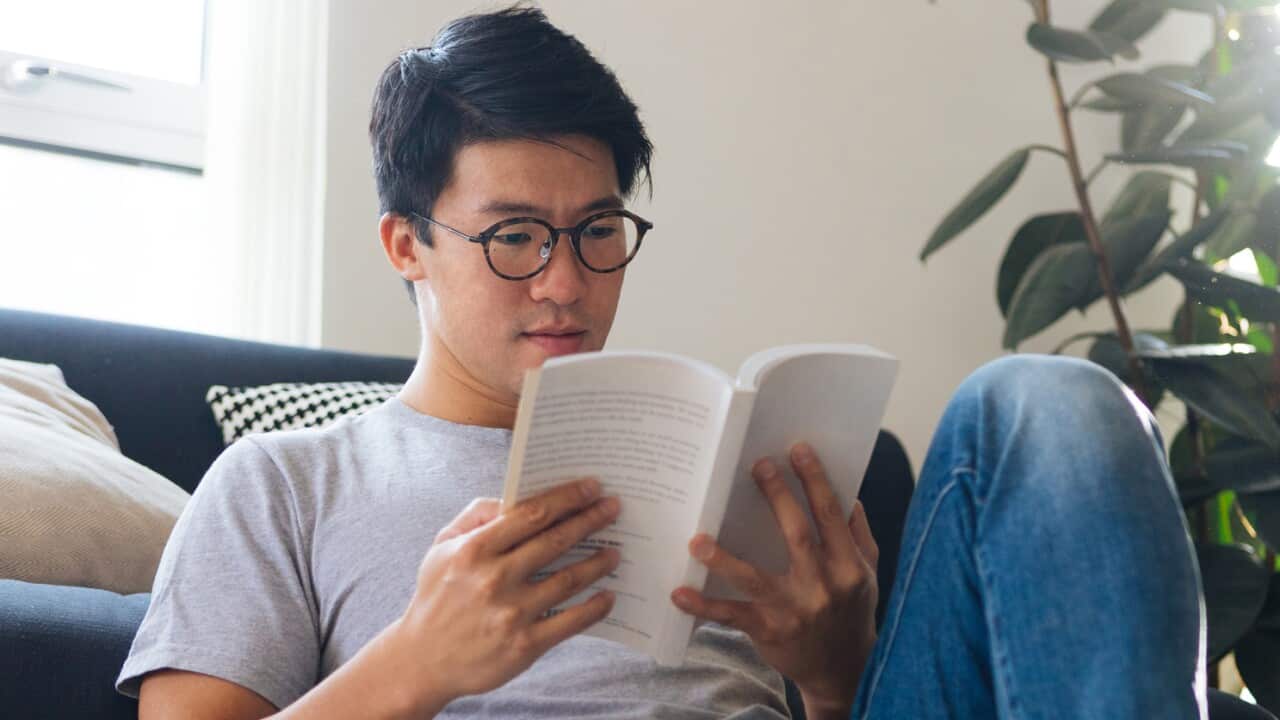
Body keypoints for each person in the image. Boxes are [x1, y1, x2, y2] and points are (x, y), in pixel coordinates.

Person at [115, 6, 1205, 719]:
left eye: (596, 229)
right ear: (406, 243)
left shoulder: (733, 461)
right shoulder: (282, 484)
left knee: (1044, 403)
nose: (563, 281)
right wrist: (420, 662)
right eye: (512, 237)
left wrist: (834, 672)